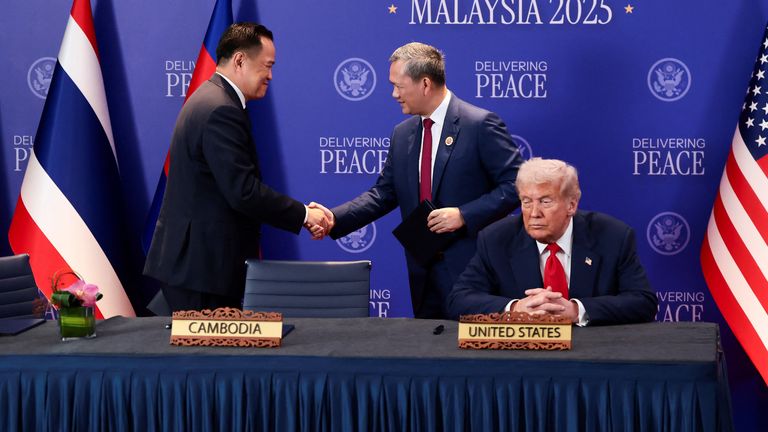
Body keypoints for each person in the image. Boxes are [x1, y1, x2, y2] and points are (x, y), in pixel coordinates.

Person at [311, 42, 523, 319]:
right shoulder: (403, 134)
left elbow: (517, 186)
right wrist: (334, 219)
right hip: (422, 270)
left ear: (425, 83)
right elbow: (383, 193)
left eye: (399, 86)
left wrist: (464, 214)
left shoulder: (480, 125)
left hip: (472, 270)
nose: (394, 94)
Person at [144, 23, 329, 312]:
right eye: (267, 66)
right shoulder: (221, 109)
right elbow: (243, 192)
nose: (270, 75)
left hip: (199, 267)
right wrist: (304, 214)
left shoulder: (210, 97)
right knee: (206, 356)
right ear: (240, 60)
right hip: (203, 272)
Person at [446, 158, 658, 325]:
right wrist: (515, 309)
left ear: (571, 205)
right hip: (522, 360)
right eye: (526, 202)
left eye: (545, 201)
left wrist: (577, 310)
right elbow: (459, 299)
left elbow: (643, 301)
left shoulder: (613, 236)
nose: (534, 213)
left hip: (592, 356)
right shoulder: (496, 239)